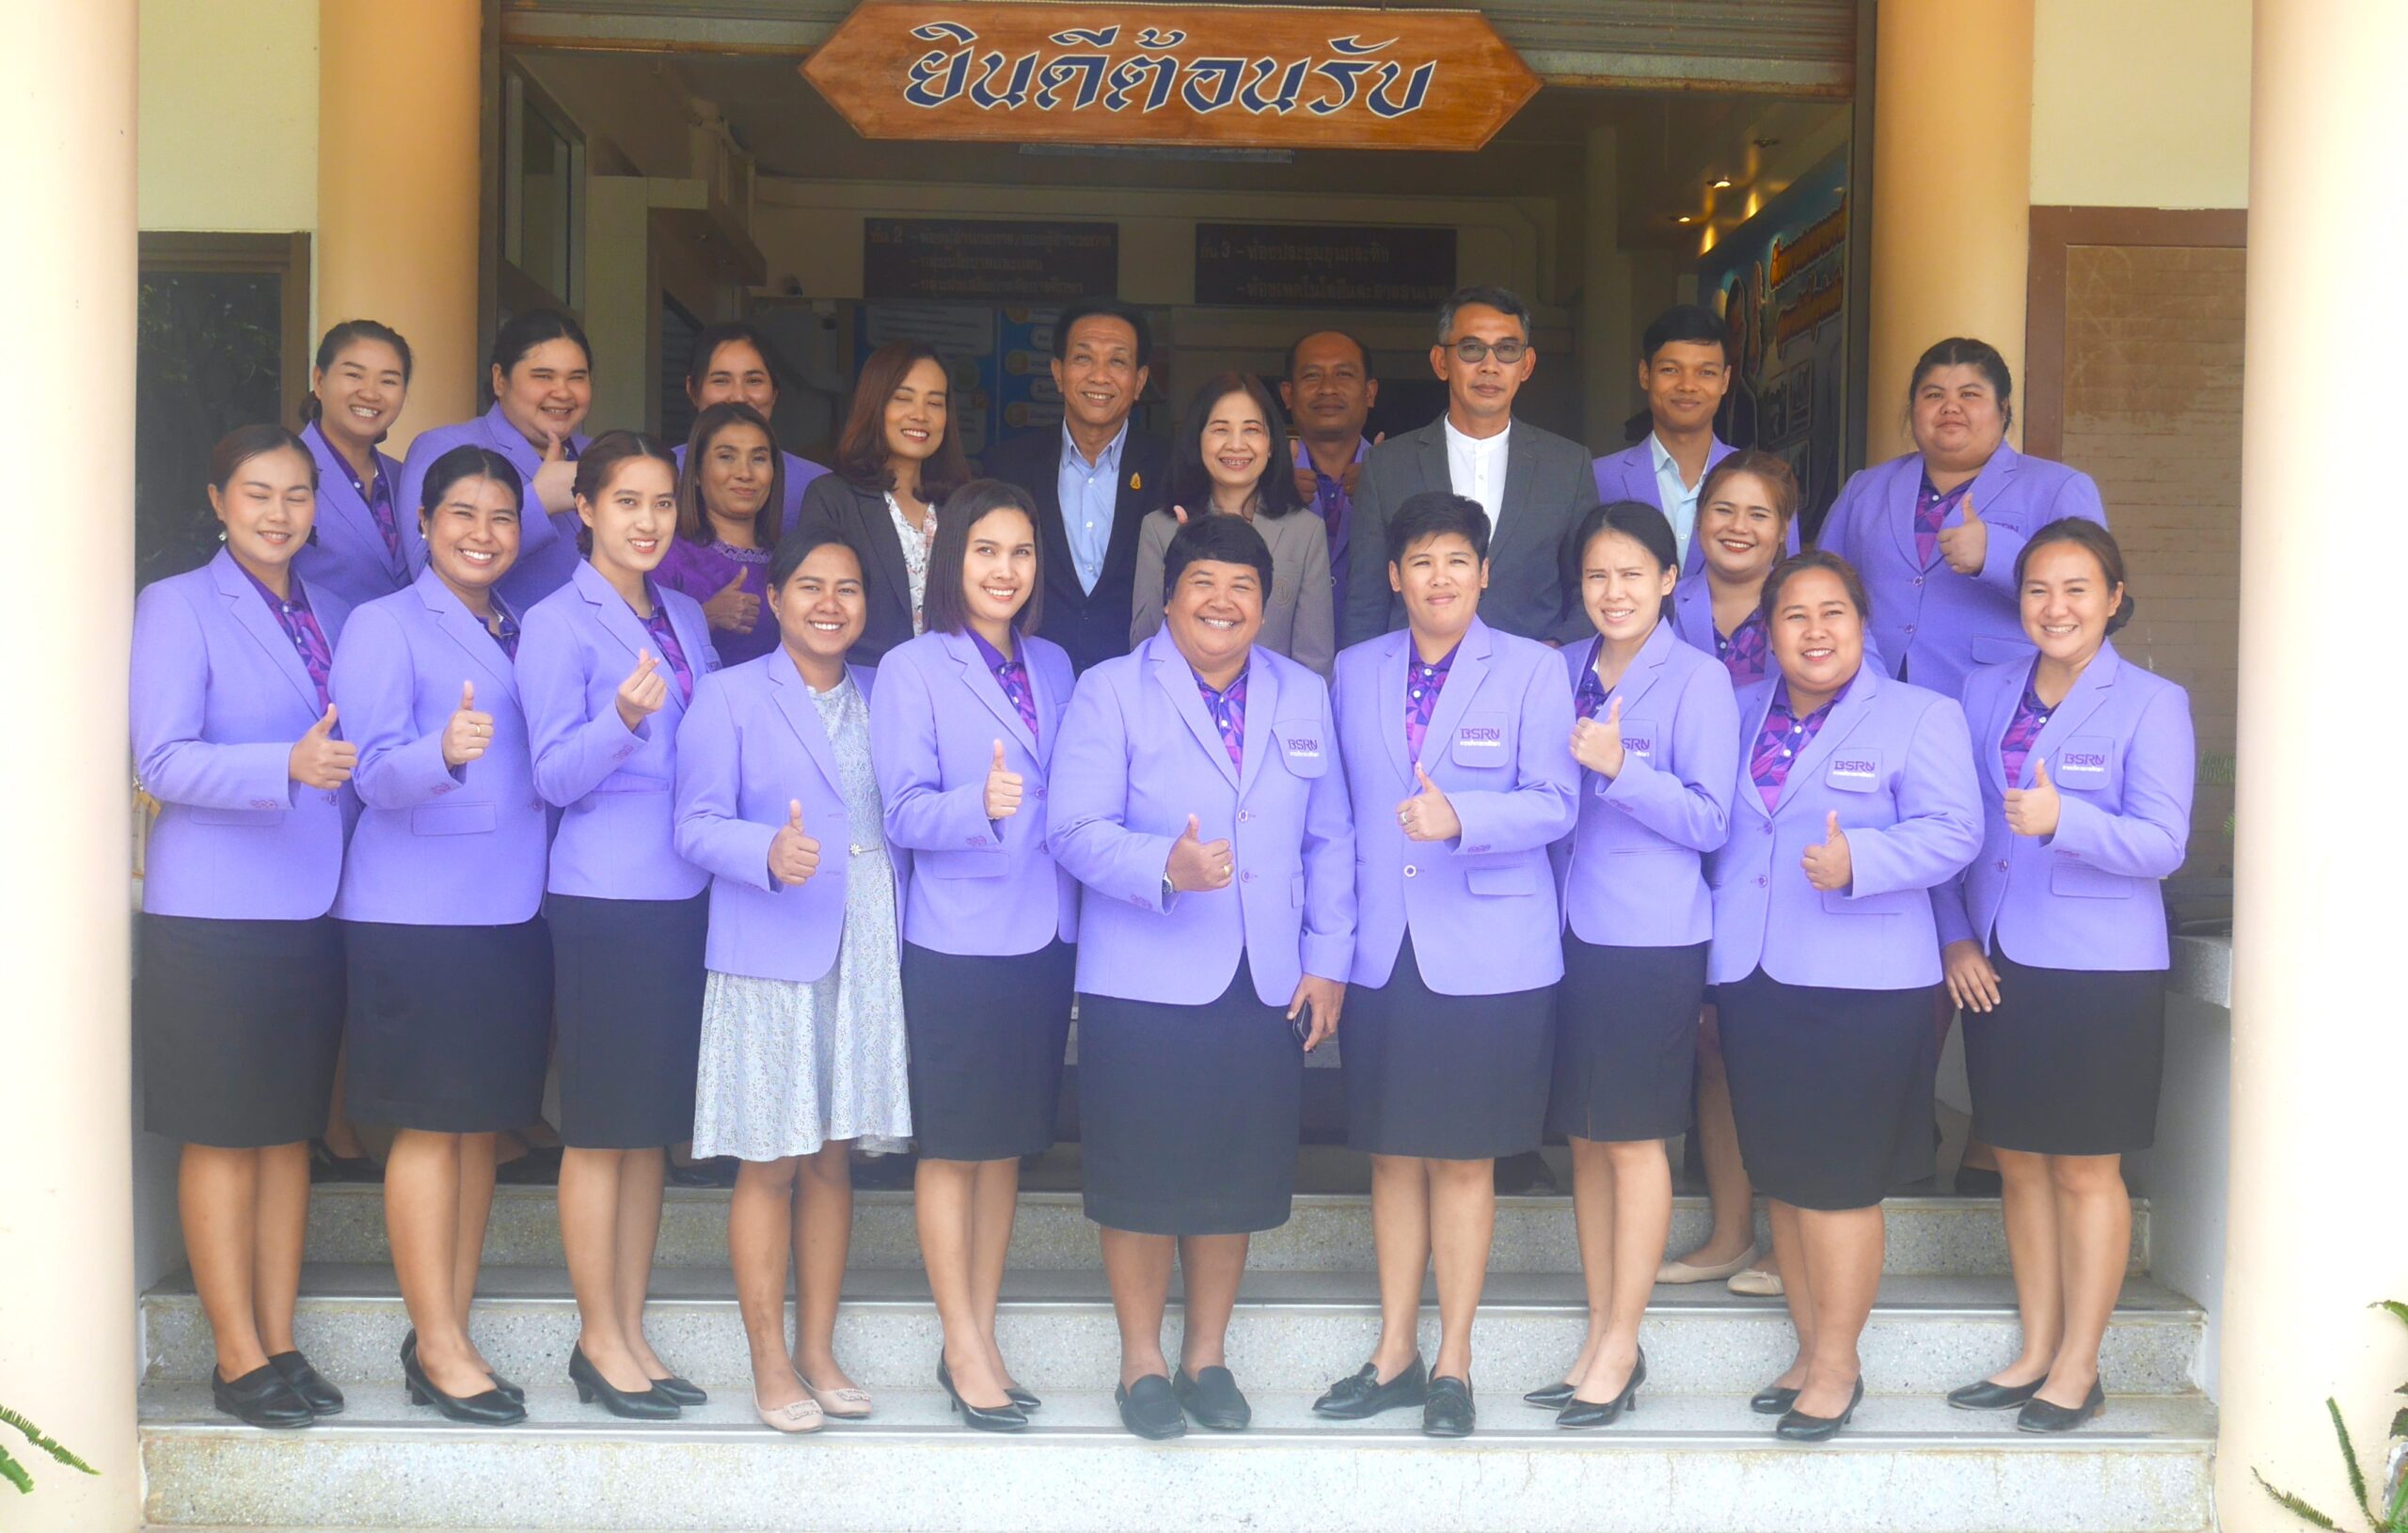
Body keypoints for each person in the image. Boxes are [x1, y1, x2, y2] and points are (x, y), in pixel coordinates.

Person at [1048, 514, 1354, 1441]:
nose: (1223, 603)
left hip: (1266, 977)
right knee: (1141, 1176)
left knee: (1232, 1175)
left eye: (1242, 587)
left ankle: (1205, 1357)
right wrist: (1164, 867)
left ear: (1265, 603)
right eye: (1203, 585)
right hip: (1142, 977)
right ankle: (1141, 1361)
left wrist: (1328, 959)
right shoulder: (1110, 690)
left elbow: (1330, 837)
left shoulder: (1302, 692)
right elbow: (1071, 829)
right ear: (1170, 597)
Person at [1315, 491, 1576, 1438]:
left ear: (1483, 573)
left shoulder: (1534, 670)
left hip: (1489, 953)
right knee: (1392, 1157)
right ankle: (1395, 1353)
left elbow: (1556, 802)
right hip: (1383, 948)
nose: (1440, 578)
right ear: (1394, 576)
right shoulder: (1354, 670)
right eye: (1421, 561)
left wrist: (1463, 814)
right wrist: (1327, 949)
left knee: (1465, 1162)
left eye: (1457, 561)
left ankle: (1454, 1360)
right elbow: (1335, 818)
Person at [1706, 550, 1981, 1442]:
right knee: (1786, 1180)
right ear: (1769, 631)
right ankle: (1807, 1350)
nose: (1815, 631)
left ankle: (1839, 1364)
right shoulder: (1736, 711)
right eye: (1795, 615)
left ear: (1863, 624)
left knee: (1840, 1186)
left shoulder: (1920, 715)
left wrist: (1862, 858)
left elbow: (1956, 832)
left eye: (1834, 613)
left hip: (1863, 986)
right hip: (1755, 975)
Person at [1937, 521, 2193, 1434]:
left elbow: (2163, 844)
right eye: (2038, 589)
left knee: (2086, 1169)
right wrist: (1955, 937)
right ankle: (2035, 1349)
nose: (2056, 607)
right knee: (2016, 1160)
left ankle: (2080, 1364)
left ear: (2113, 598)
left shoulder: (2152, 703)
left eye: (2077, 589)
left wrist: (2065, 820)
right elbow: (1955, 826)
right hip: (1998, 959)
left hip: (2101, 969)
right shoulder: (1984, 690)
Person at [132, 425, 356, 1430]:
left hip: (314, 902)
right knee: (224, 1135)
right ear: (219, 500)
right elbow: (161, 759)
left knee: (284, 1134)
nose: (279, 512)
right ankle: (234, 1354)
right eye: (258, 493)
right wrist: (283, 767)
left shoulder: (333, 612)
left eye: (297, 494)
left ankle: (279, 1337)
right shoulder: (177, 604)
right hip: (214, 913)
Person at [330, 445, 555, 1428]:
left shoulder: (517, 622)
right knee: (429, 1126)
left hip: (509, 907)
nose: (483, 533)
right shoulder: (383, 624)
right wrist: (443, 753)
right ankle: (436, 1341)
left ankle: (448, 1330)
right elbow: (368, 770)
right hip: (417, 911)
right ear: (423, 524)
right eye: (462, 513)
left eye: (502, 516)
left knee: (476, 1128)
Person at [673, 528, 912, 1434]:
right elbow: (693, 823)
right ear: (774, 600)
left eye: (847, 588)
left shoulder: (887, 693)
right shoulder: (729, 695)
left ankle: (818, 1349)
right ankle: (769, 1361)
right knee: (769, 1160)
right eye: (809, 585)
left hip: (865, 950)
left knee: (831, 1157)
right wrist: (765, 850)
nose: (829, 603)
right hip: (770, 949)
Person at [868, 480, 1079, 1433]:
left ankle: (982, 1333)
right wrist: (976, 808)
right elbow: (902, 811)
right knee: (955, 1147)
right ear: (953, 559)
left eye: (1021, 552)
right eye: (987, 550)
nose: (1005, 569)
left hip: (1044, 932)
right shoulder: (911, 668)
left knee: (1006, 1149)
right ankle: (959, 1342)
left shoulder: (1056, 663)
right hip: (955, 936)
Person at [516, 431, 719, 1421]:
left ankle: (630, 1331)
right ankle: (596, 1338)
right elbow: (551, 774)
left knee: (646, 1132)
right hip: (604, 900)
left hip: (685, 893)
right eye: (627, 502)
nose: (647, 521)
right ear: (586, 510)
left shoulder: (682, 612)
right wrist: (622, 723)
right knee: (600, 1131)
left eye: (662, 504)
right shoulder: (555, 622)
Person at [1538, 500, 1739, 1426]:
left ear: (1667, 580)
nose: (1612, 592)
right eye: (1595, 576)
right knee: (1585, 1136)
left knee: (1632, 1137)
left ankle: (1623, 1341)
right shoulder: (1557, 672)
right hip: (1558, 931)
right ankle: (1597, 1331)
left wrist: (1624, 770)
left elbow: (1710, 819)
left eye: (1630, 574)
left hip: (1650, 938)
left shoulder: (1698, 680)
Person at [1658, 450, 1808, 1299]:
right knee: (1711, 1042)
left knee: (1773, 1040)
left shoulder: (1810, 609)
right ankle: (1729, 1230)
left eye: (1759, 513)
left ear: (1784, 531)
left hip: (1774, 845)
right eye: (1722, 508)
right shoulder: (1658, 602)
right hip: (1676, 839)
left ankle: (1790, 1239)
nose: (1738, 527)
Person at [1817, 337, 2108, 701]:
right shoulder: (1866, 488)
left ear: (2003, 408)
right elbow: (1819, 585)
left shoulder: (2057, 487)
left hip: (1999, 699)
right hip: (1874, 694)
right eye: (1933, 395)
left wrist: (1996, 555)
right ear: (1912, 409)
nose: (1950, 407)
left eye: (1970, 395)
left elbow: (2092, 600)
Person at [1342, 284, 1592, 649]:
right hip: (1414, 676)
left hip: (1530, 674)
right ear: (1440, 362)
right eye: (1472, 349)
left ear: (1526, 365)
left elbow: (1588, 586)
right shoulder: (1387, 465)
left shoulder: (1568, 466)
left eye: (1507, 350)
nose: (1490, 366)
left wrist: (1554, 651)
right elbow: (1366, 601)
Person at [981, 297, 1171, 673]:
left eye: (1117, 361)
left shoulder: (1172, 469)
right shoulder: (1007, 466)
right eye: (1084, 358)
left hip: (1140, 679)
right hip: (1029, 676)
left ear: (1139, 381)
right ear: (1058, 372)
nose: (1099, 376)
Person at [1131, 372, 1335, 676]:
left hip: (1274, 702)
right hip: (1175, 701)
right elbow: (1144, 644)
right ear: (1198, 440)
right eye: (1220, 429)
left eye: (1251, 429)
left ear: (1271, 444)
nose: (1236, 445)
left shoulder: (1304, 532)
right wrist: (1181, 557)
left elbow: (1314, 660)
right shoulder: (1161, 528)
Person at [397, 309, 595, 609]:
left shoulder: (599, 455)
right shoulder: (444, 447)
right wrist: (540, 501)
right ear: (500, 380)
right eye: (543, 376)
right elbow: (426, 575)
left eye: (576, 378)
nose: (563, 392)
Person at [798, 340, 971, 665]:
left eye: (935, 403)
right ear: (875, 405)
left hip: (950, 683)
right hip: (864, 681)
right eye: (903, 398)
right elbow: (815, 606)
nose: (920, 415)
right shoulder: (832, 498)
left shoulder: (961, 505)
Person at [1592, 305, 1781, 576]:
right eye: (1670, 370)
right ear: (1645, 374)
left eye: (1706, 372)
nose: (1688, 385)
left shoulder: (1767, 482)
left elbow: (1787, 586)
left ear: (1725, 380)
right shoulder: (1597, 479)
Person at [656, 403, 787, 668]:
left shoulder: (790, 558)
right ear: (696, 473)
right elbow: (637, 651)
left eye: (758, 459)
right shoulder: (667, 554)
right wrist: (705, 617)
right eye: (726, 457)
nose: (745, 474)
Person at [294, 320, 414, 610]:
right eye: (354, 375)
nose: (370, 393)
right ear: (319, 381)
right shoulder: (281, 472)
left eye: (388, 381)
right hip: (317, 637)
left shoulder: (405, 478)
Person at [673, 319, 832, 530]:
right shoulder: (657, 474)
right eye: (721, 380)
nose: (739, 396)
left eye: (754, 381)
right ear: (692, 390)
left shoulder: (819, 486)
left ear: (775, 392)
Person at [1278, 328, 1379, 602]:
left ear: (1369, 392)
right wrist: (1272, 499)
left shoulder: (1398, 474)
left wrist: (1383, 496)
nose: (1328, 388)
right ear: (1288, 395)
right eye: (1312, 375)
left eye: (1343, 374)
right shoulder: (1261, 476)